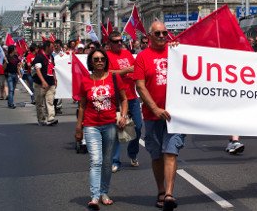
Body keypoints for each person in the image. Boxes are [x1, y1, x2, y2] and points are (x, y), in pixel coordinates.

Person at [134, 22, 185, 210]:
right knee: (157, 155)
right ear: (150, 35)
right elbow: (140, 85)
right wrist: (155, 108)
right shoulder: (142, 57)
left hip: (174, 115)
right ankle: (161, 190)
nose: (162, 36)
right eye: (158, 33)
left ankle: (170, 194)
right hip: (152, 115)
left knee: (171, 152)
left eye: (165, 32)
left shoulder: (176, 51)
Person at [75, 48, 128, 209]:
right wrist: (79, 127)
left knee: (106, 162)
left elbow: (124, 99)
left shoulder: (114, 77)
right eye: (96, 59)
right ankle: (94, 197)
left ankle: (104, 192)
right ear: (91, 62)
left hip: (110, 124)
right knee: (96, 161)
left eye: (102, 59)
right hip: (91, 125)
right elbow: (82, 106)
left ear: (106, 62)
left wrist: (123, 116)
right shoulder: (85, 80)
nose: (99, 61)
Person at [106, 30, 141, 172]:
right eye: (116, 41)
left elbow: (136, 69)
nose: (119, 43)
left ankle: (133, 154)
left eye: (121, 40)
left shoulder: (127, 53)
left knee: (138, 127)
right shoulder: (106, 56)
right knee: (117, 129)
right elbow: (108, 73)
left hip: (132, 96)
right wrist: (125, 71)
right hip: (117, 99)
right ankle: (115, 160)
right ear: (109, 43)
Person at [31, 40, 58, 126]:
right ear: (47, 47)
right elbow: (37, 70)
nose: (53, 49)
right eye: (51, 47)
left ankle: (51, 118)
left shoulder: (51, 57)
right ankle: (41, 119)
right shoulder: (39, 57)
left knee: (50, 101)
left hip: (50, 83)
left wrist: (55, 79)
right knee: (40, 102)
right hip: (40, 84)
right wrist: (43, 81)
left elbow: (52, 68)